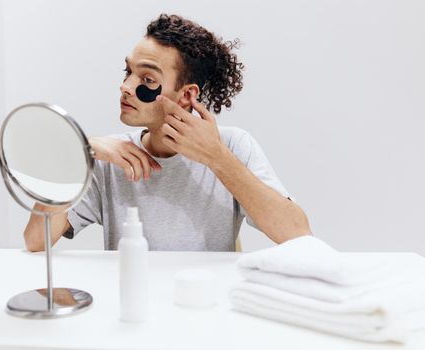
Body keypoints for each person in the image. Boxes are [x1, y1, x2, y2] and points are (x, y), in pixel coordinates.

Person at [24, 14, 312, 252]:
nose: (125, 86)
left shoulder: (232, 146)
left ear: (187, 95)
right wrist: (79, 150)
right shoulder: (112, 158)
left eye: (147, 79)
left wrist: (217, 158)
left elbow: (297, 234)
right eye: (127, 72)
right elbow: (36, 241)